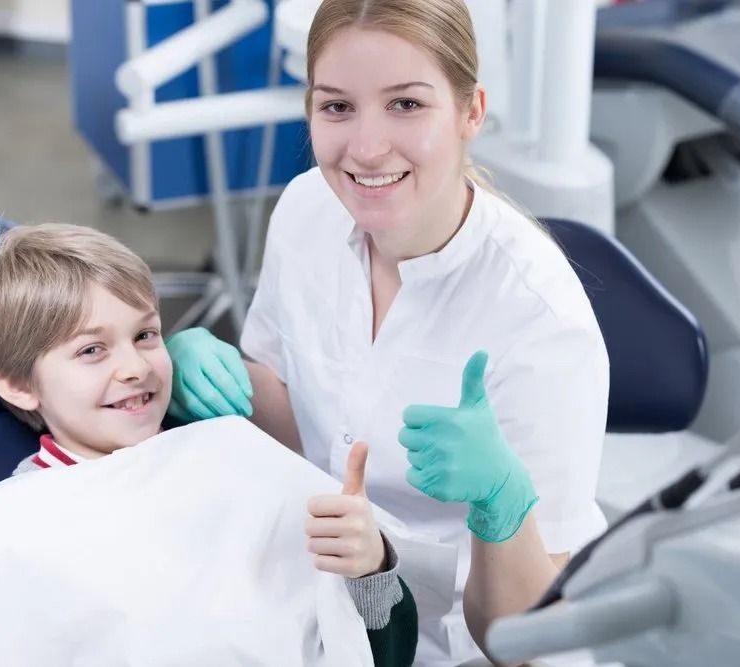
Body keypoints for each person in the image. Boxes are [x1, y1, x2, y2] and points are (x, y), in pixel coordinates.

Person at [166, 0, 609, 663]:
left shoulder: (540, 320)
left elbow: (523, 640)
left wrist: (500, 505)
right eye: (337, 107)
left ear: (471, 112)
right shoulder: (306, 209)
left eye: (405, 104)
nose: (367, 148)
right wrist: (185, 371)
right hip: (313, 590)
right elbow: (308, 429)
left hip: (447, 640)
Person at [0, 223, 417, 666]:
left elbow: (385, 653)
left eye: (145, 335)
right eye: (91, 350)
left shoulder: (238, 458)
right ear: (16, 384)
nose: (135, 366)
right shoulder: (1, 534)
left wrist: (369, 569)